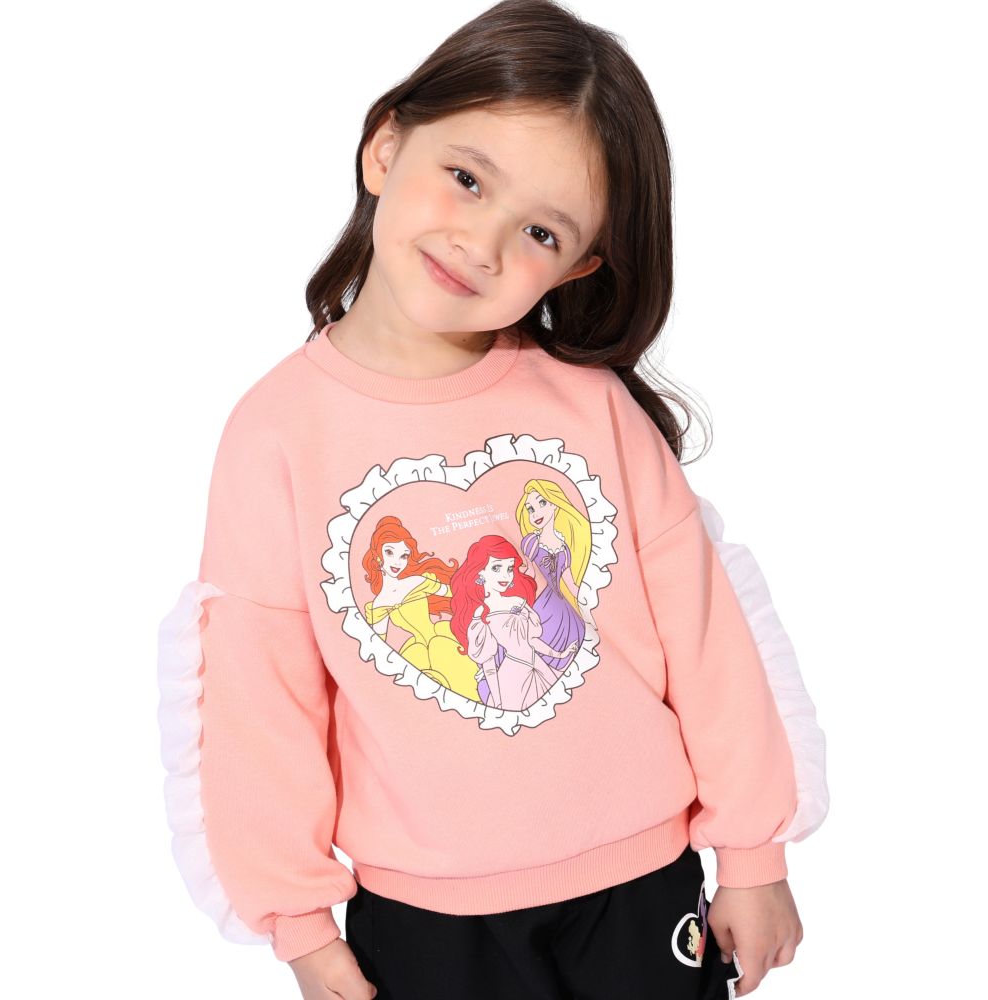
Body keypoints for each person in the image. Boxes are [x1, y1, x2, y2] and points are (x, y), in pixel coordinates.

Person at [155, 1, 829, 997]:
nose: (480, 242)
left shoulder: (592, 408)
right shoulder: (276, 435)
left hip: (641, 886)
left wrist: (753, 852)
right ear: (386, 145)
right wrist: (295, 918)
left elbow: (707, 634)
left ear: (580, 263)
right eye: (466, 178)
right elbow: (260, 696)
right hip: (422, 917)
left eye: (539, 231)